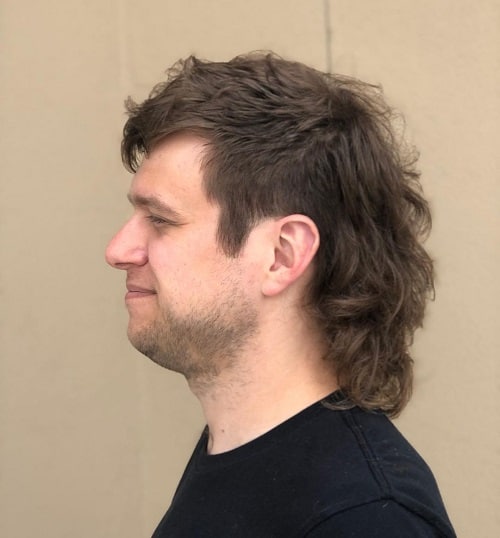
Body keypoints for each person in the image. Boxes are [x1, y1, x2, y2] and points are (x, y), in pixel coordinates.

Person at [106, 53, 456, 537]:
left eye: (161, 220)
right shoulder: (235, 451)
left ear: (282, 255)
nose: (119, 250)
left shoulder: (364, 517)